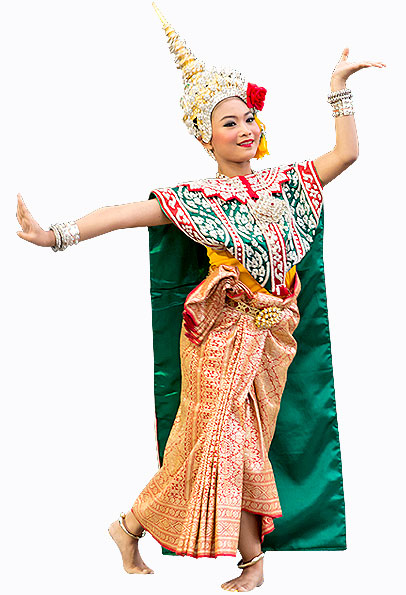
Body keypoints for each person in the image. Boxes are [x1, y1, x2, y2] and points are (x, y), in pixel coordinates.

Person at [15, 3, 386, 592]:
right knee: (219, 438)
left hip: (271, 336)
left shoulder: (288, 182)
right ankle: (251, 564)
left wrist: (337, 89)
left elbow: (346, 154)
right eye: (230, 124)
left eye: (249, 119)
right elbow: (121, 214)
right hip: (219, 335)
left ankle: (131, 524)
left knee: (221, 442)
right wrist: (54, 235)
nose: (245, 130)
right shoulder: (198, 197)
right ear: (205, 136)